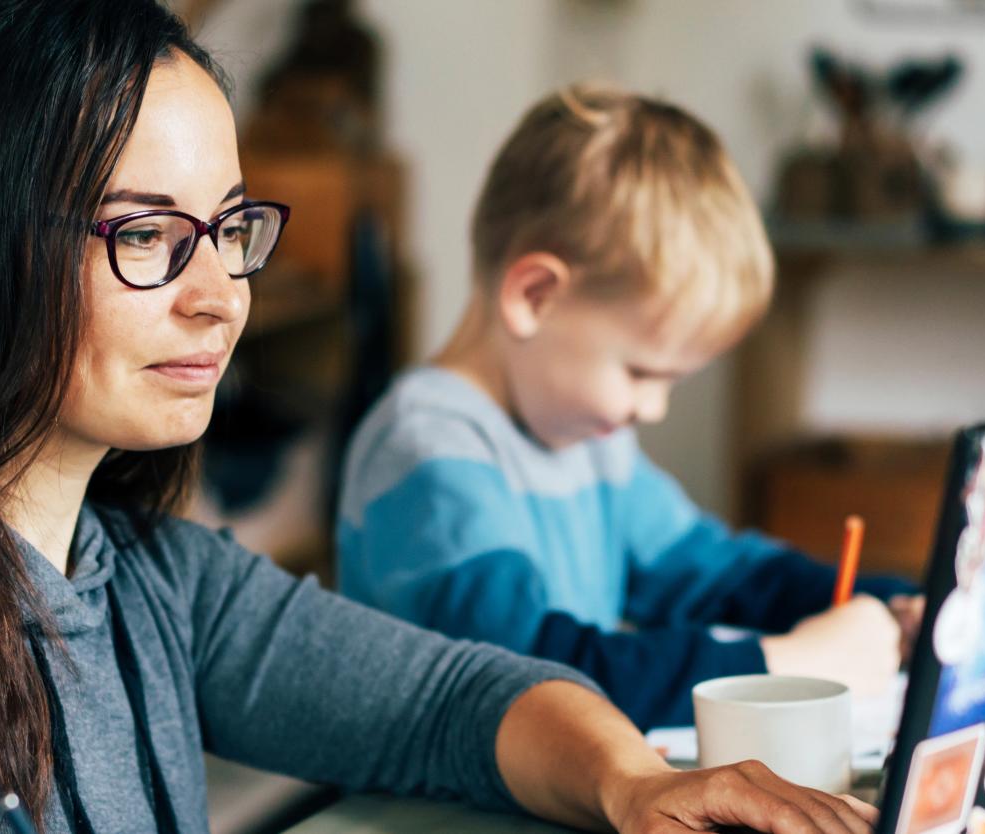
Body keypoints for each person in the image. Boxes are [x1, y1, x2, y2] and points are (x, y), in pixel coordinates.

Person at [0, 3, 878, 832]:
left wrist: (633, 784)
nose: (219, 294)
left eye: (230, 230)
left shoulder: (141, 578)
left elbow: (448, 697)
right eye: (146, 236)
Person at [336, 85, 923, 731]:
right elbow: (537, 676)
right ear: (535, 296)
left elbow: (717, 575)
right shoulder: (428, 451)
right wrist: (781, 663)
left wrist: (891, 604)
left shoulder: (588, 439)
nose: (654, 408)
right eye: (642, 371)